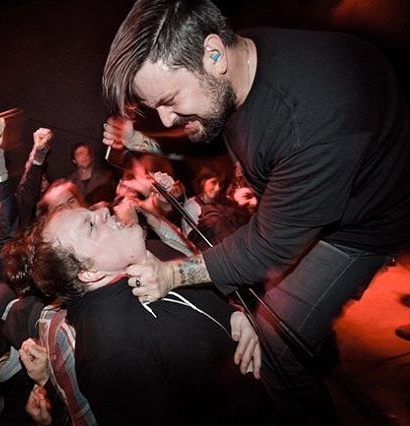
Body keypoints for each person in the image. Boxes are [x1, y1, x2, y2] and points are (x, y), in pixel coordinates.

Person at [101, 0, 410, 423]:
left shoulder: (311, 119)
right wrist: (145, 141)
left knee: (276, 337)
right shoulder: (240, 61)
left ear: (214, 54)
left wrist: (172, 274)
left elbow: (268, 248)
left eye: (169, 100)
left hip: (362, 229)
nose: (167, 116)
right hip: (313, 204)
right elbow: (206, 136)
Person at [4, 207, 268, 425]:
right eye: (92, 227)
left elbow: (210, 299)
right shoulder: (111, 352)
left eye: (92, 213)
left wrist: (234, 315)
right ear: (89, 273)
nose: (104, 210)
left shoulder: (150, 252)